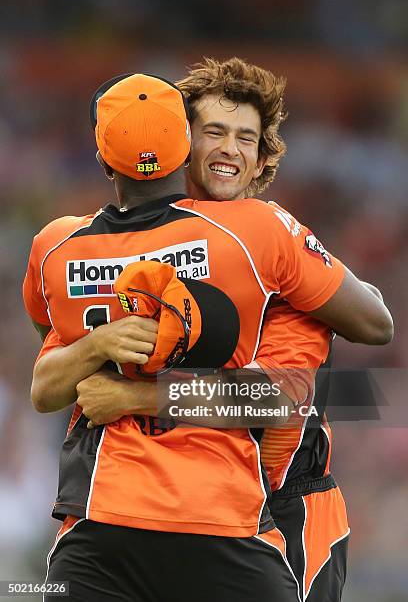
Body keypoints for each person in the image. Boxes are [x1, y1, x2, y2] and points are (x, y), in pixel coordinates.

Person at [23, 71, 393, 602]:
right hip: (144, 514)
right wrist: (96, 349)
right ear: (182, 145)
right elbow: (51, 368)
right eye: (213, 132)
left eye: (246, 137)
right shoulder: (235, 240)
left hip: (285, 506)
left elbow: (296, 399)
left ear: (265, 160)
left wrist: (138, 394)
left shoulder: (279, 257)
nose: (228, 150)